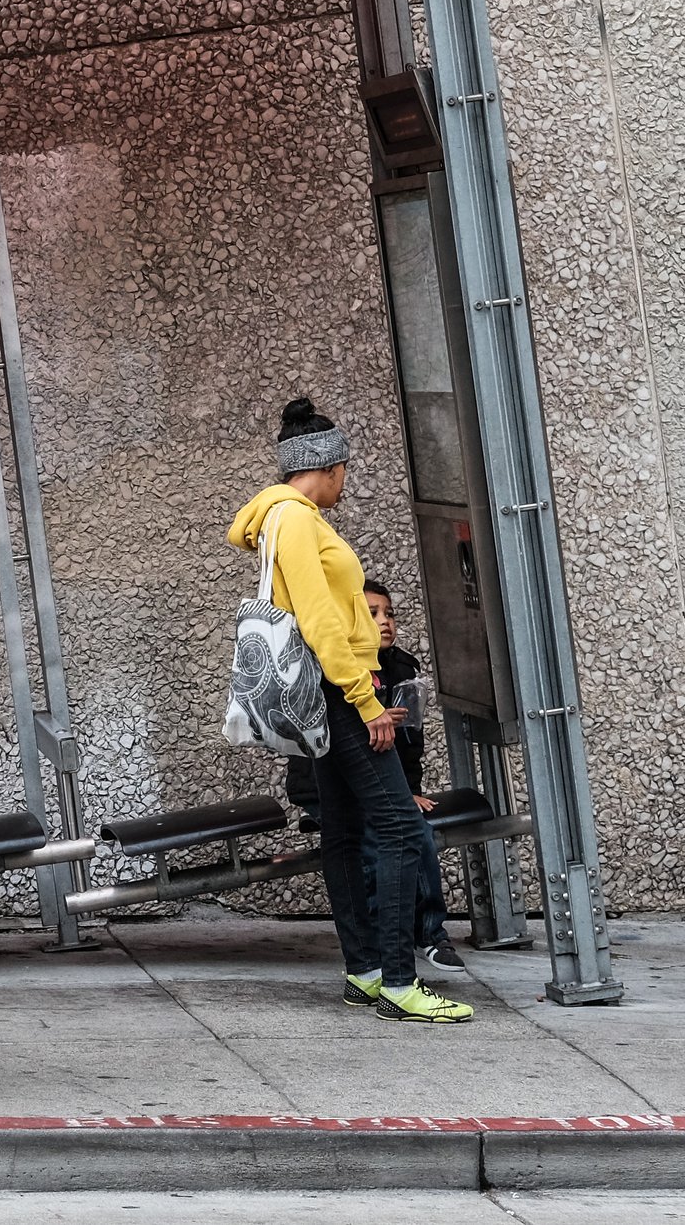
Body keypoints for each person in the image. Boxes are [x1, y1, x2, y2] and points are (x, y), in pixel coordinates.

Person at [228, 398, 471, 1024]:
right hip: (340, 693)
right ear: (329, 466)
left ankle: (364, 972)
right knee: (400, 830)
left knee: (341, 831)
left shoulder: (281, 517)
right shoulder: (297, 519)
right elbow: (319, 619)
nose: (345, 483)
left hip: (330, 692)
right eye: (344, 471)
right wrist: (367, 702)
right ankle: (399, 982)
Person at [283, 579, 465, 981]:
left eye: (389, 614)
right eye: (371, 614)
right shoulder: (336, 670)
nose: (384, 622)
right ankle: (388, 960)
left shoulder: (400, 669)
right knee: (380, 834)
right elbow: (327, 743)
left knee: (410, 827)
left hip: (382, 779)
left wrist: (409, 790)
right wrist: (371, 713)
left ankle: (425, 937)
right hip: (328, 783)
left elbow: (410, 745)